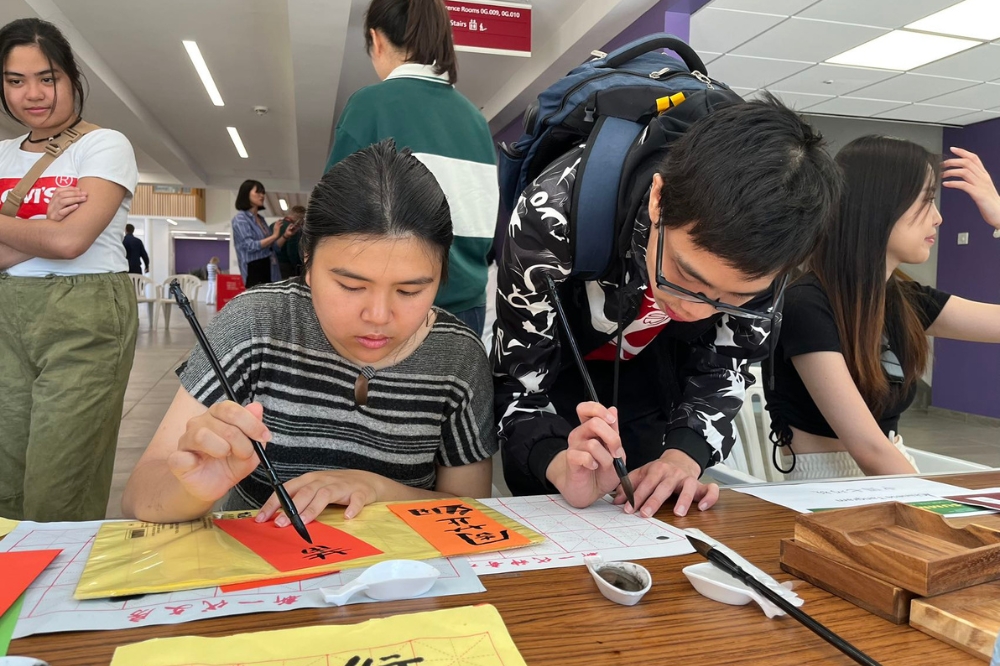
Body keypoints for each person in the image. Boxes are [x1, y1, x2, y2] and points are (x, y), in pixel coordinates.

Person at [493, 96, 842, 518]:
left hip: (657, 374)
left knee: (654, 505)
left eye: (733, 297)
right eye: (686, 274)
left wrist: (683, 457)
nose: (697, 309)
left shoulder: (770, 252)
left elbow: (728, 363)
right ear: (659, 198)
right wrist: (555, 464)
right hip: (560, 368)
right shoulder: (552, 213)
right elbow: (518, 379)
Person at [122, 140, 495, 525]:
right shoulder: (256, 324)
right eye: (350, 286)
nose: (378, 316)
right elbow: (139, 494)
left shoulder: (457, 356)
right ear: (308, 260)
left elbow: (472, 506)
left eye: (410, 291)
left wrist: (377, 489)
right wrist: (189, 489)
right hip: (263, 574)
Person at [765, 136, 1000, 480]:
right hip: (829, 491)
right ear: (880, 205)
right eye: (927, 201)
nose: (938, 219)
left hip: (893, 478)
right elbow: (868, 450)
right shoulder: (807, 306)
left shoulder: (903, 300)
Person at [0, 18, 139, 521]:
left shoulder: (104, 145)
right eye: (15, 81)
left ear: (71, 76)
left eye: (47, 77)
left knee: (61, 481)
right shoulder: (1, 155)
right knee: (6, 479)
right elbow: (54, 238)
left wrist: (38, 231)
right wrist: (46, 227)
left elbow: (72, 240)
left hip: (84, 315)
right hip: (8, 317)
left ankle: (58, 594)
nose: (32, 94)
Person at [326, 0, 496, 335]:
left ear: (376, 40)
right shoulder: (475, 120)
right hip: (469, 309)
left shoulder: (369, 105)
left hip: (393, 310)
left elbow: (331, 222)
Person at [231, 179, 295, 288]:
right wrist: (274, 236)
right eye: (258, 192)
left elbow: (273, 247)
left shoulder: (261, 219)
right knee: (259, 303)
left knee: (271, 301)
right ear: (246, 194)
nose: (262, 195)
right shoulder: (240, 219)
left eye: (263, 192)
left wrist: (285, 236)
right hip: (255, 269)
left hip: (271, 267)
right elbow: (250, 246)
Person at [274, 204, 305, 279]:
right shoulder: (294, 229)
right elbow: (292, 253)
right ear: (300, 219)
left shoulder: (273, 225)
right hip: (285, 268)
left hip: (270, 265)